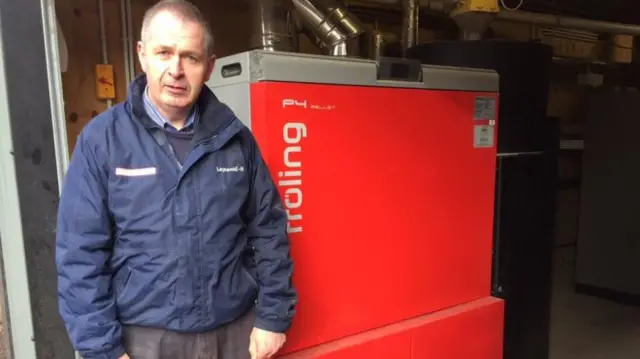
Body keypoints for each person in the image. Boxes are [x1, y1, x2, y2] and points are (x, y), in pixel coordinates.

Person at [55, 1, 297, 358]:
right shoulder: (103, 140)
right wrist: (103, 349)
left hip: (233, 335)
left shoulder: (235, 138)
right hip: (143, 341)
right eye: (164, 53)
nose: (176, 70)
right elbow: (80, 253)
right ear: (142, 55)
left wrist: (273, 317)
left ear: (210, 66)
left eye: (191, 57)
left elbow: (269, 230)